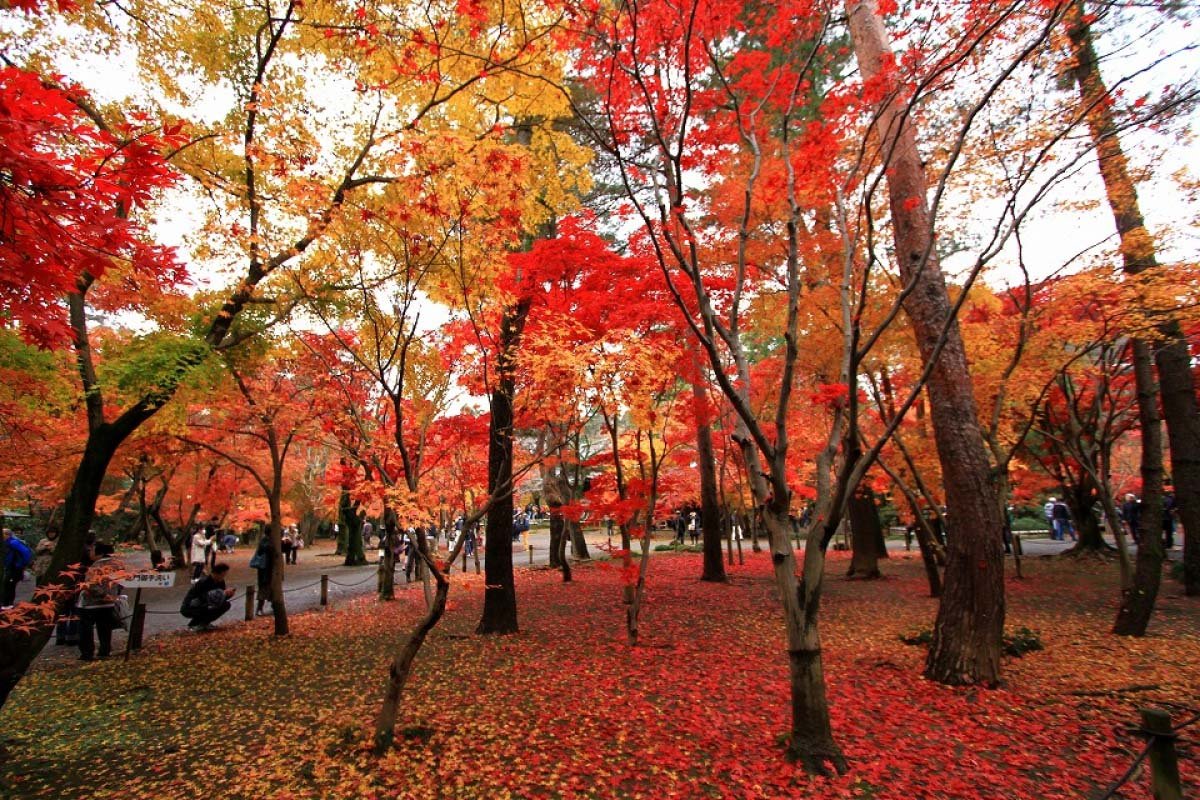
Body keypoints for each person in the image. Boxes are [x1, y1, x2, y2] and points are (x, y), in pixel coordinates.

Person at [77, 542, 121, 661]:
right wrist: (113, 594)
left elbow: (90, 585)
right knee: (105, 627)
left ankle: (87, 653)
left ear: (100, 553)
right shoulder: (118, 565)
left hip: (91, 603)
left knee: (86, 628)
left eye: (92, 550)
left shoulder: (96, 566)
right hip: (109, 602)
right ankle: (104, 650)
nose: (90, 553)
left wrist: (102, 594)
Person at [180, 562, 235, 631]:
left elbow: (220, 598)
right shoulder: (203, 582)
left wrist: (227, 595)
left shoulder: (221, 582)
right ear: (217, 573)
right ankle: (194, 624)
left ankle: (205, 623)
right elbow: (201, 598)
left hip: (206, 603)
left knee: (225, 605)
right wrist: (219, 594)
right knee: (206, 607)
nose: (224, 576)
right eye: (223, 574)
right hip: (192, 605)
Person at [1, 529, 33, 608]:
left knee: (9, 585)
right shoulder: (7, 543)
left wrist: (20, 565)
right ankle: (7, 603)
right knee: (8, 585)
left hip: (15, 568)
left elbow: (26, 552)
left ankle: (8, 604)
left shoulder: (13, 542)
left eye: (3, 534)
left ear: (7, 535)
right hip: (10, 567)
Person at [250, 532, 275, 616]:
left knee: (273, 588)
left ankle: (274, 606)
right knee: (264, 588)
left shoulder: (273, 540)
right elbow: (262, 551)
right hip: (265, 569)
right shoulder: (265, 541)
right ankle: (259, 608)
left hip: (271, 568)